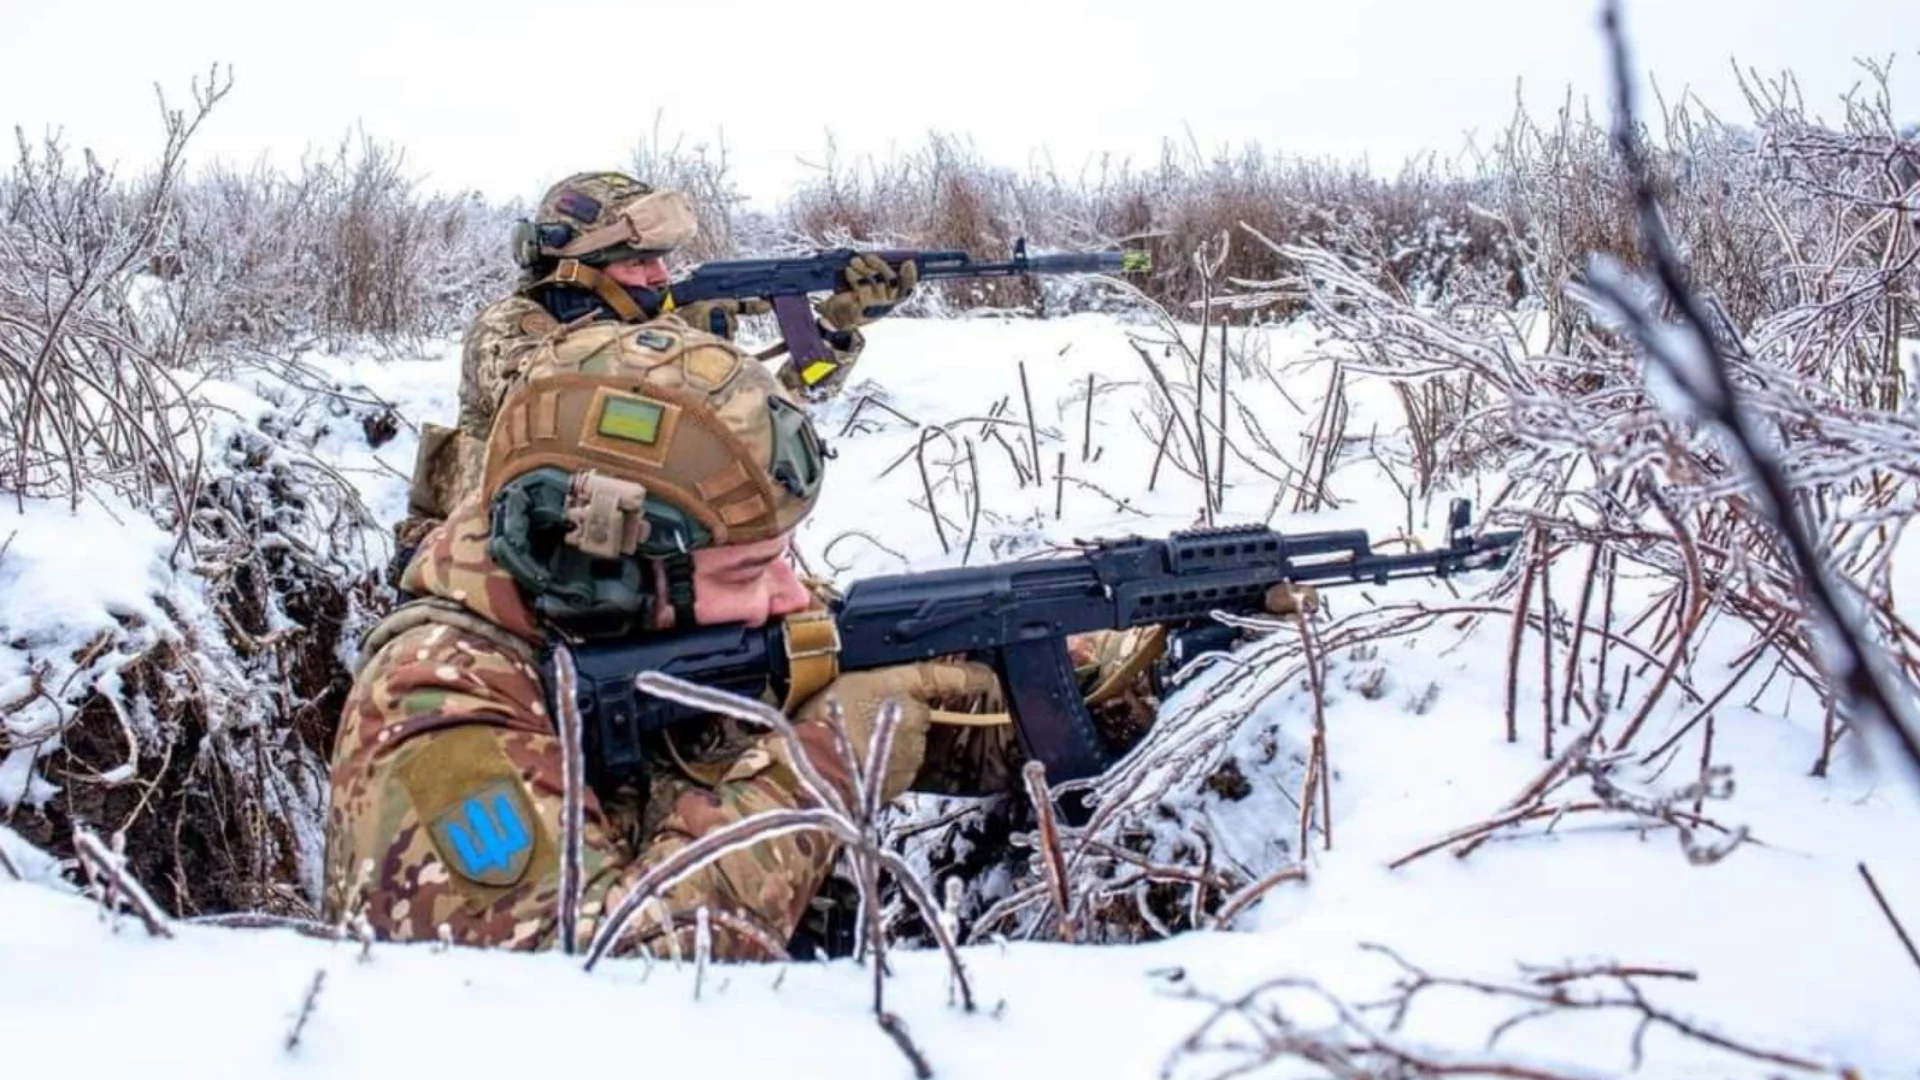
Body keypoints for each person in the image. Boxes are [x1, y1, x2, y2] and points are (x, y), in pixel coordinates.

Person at [325, 311, 998, 958]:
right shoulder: (426, 702)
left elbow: (921, 682)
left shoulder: (669, 618)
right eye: (749, 570)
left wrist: (1057, 677)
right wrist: (818, 770)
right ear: (604, 572)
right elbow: (579, 978)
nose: (792, 595)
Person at [398, 171, 914, 552]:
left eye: (661, 259)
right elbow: (563, 405)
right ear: (575, 269)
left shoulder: (650, 326)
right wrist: (690, 352)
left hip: (626, 548)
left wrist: (831, 336)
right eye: (638, 262)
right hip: (494, 551)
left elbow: (764, 422)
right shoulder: (511, 325)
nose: (660, 275)